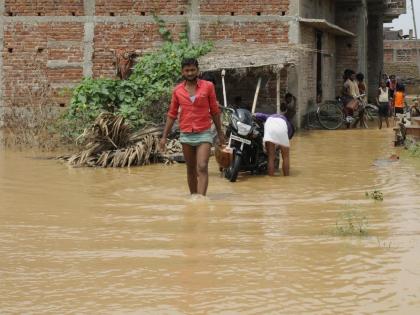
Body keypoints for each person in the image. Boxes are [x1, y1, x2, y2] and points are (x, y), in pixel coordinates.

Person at [160, 58, 224, 196]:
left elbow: (214, 111)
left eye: (192, 70)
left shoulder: (208, 87)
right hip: (186, 133)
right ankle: (194, 197)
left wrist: (220, 132)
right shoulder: (177, 91)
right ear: (182, 72)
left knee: (202, 166)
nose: (190, 73)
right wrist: (164, 137)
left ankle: (201, 199)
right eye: (187, 70)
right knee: (190, 169)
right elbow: (172, 114)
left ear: (198, 71)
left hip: (204, 133)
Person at [254, 108, 294, 176]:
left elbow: (256, 114)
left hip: (270, 126)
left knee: (271, 157)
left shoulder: (269, 116)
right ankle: (286, 177)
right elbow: (286, 137)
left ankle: (271, 178)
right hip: (282, 127)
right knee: (285, 157)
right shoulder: (289, 125)